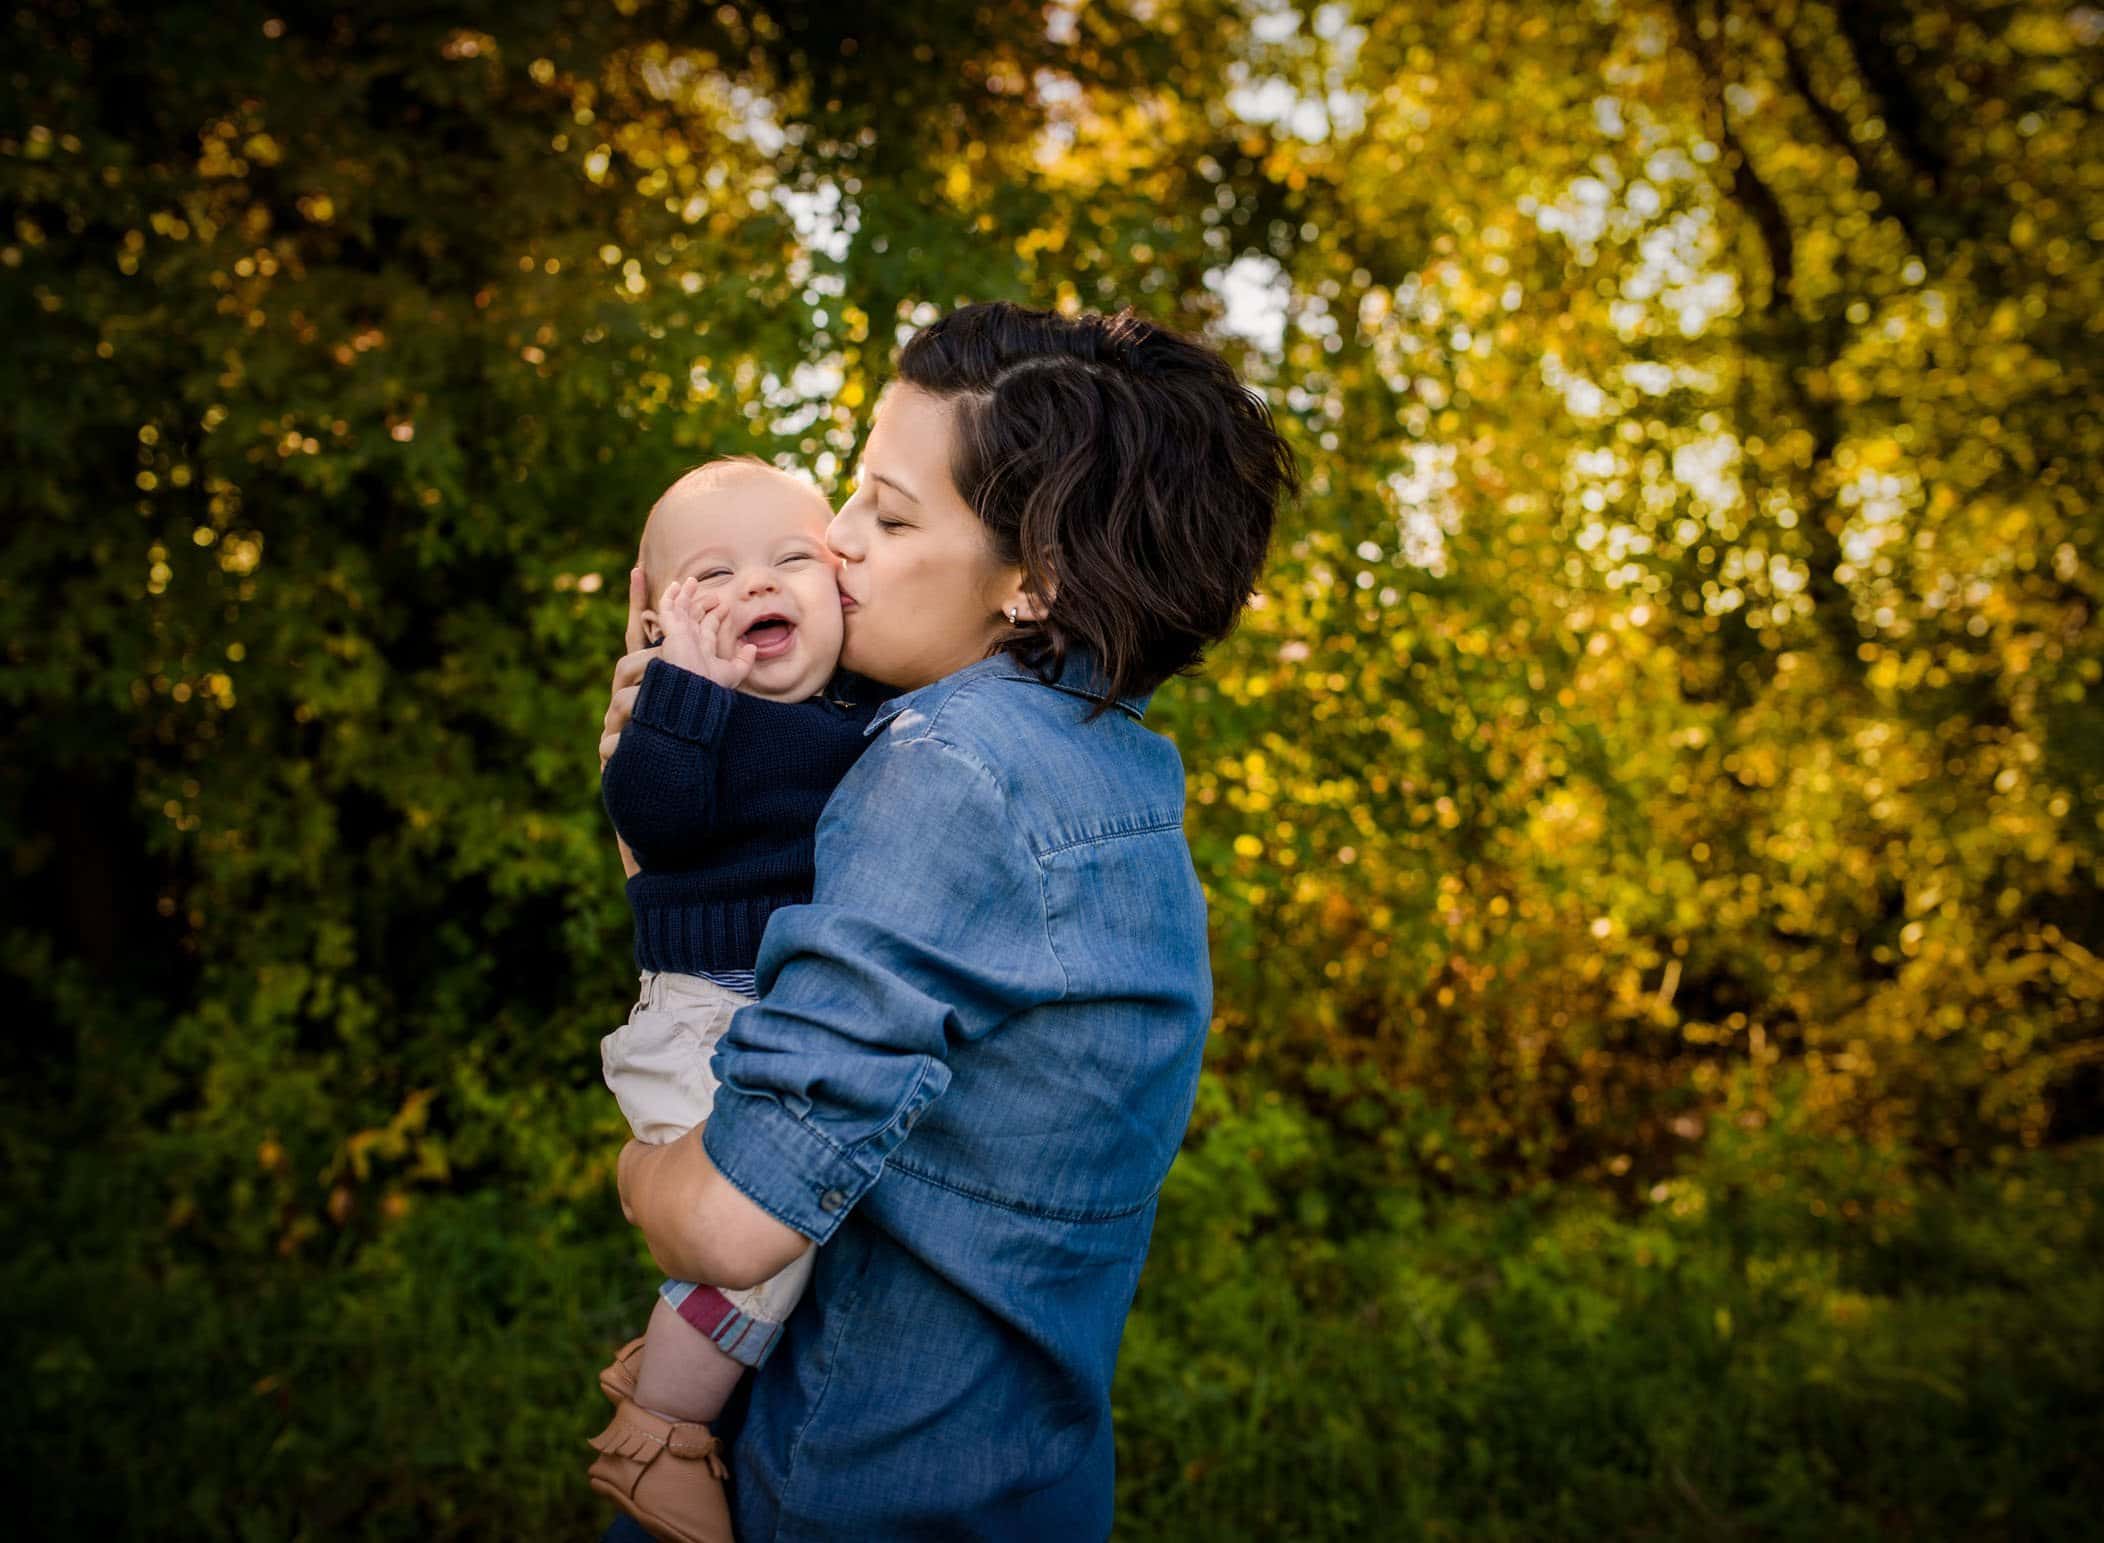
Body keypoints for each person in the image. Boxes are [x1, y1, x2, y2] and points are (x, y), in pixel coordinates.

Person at [604, 300, 1296, 1539]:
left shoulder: (944, 772)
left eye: (888, 513)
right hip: (1019, 1482)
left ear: (1036, 581)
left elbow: (730, 1219)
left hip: (833, 1485)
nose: (835, 538)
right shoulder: (1117, 768)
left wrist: (637, 1169)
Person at [590, 458, 880, 1543]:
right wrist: (685, 695)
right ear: (658, 622)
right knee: (767, 1229)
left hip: (778, 1006)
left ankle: (678, 1360)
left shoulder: (857, 705)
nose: (757, 583)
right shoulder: (684, 718)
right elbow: (655, 818)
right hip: (705, 1008)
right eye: (712, 575)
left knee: (780, 1236)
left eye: (793, 559)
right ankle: (657, 1432)